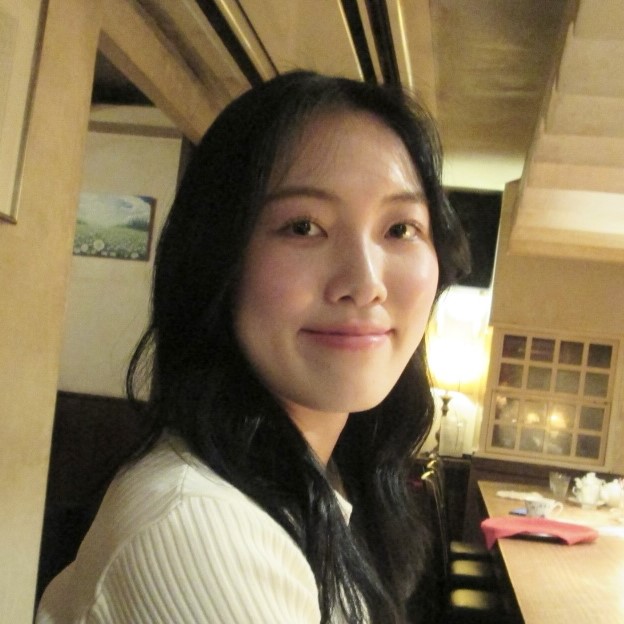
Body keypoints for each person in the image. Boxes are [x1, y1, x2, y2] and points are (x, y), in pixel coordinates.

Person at [37, 70, 470, 624]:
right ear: (219, 257)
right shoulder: (197, 530)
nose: (365, 283)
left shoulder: (325, 483)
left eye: (400, 229)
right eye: (304, 226)